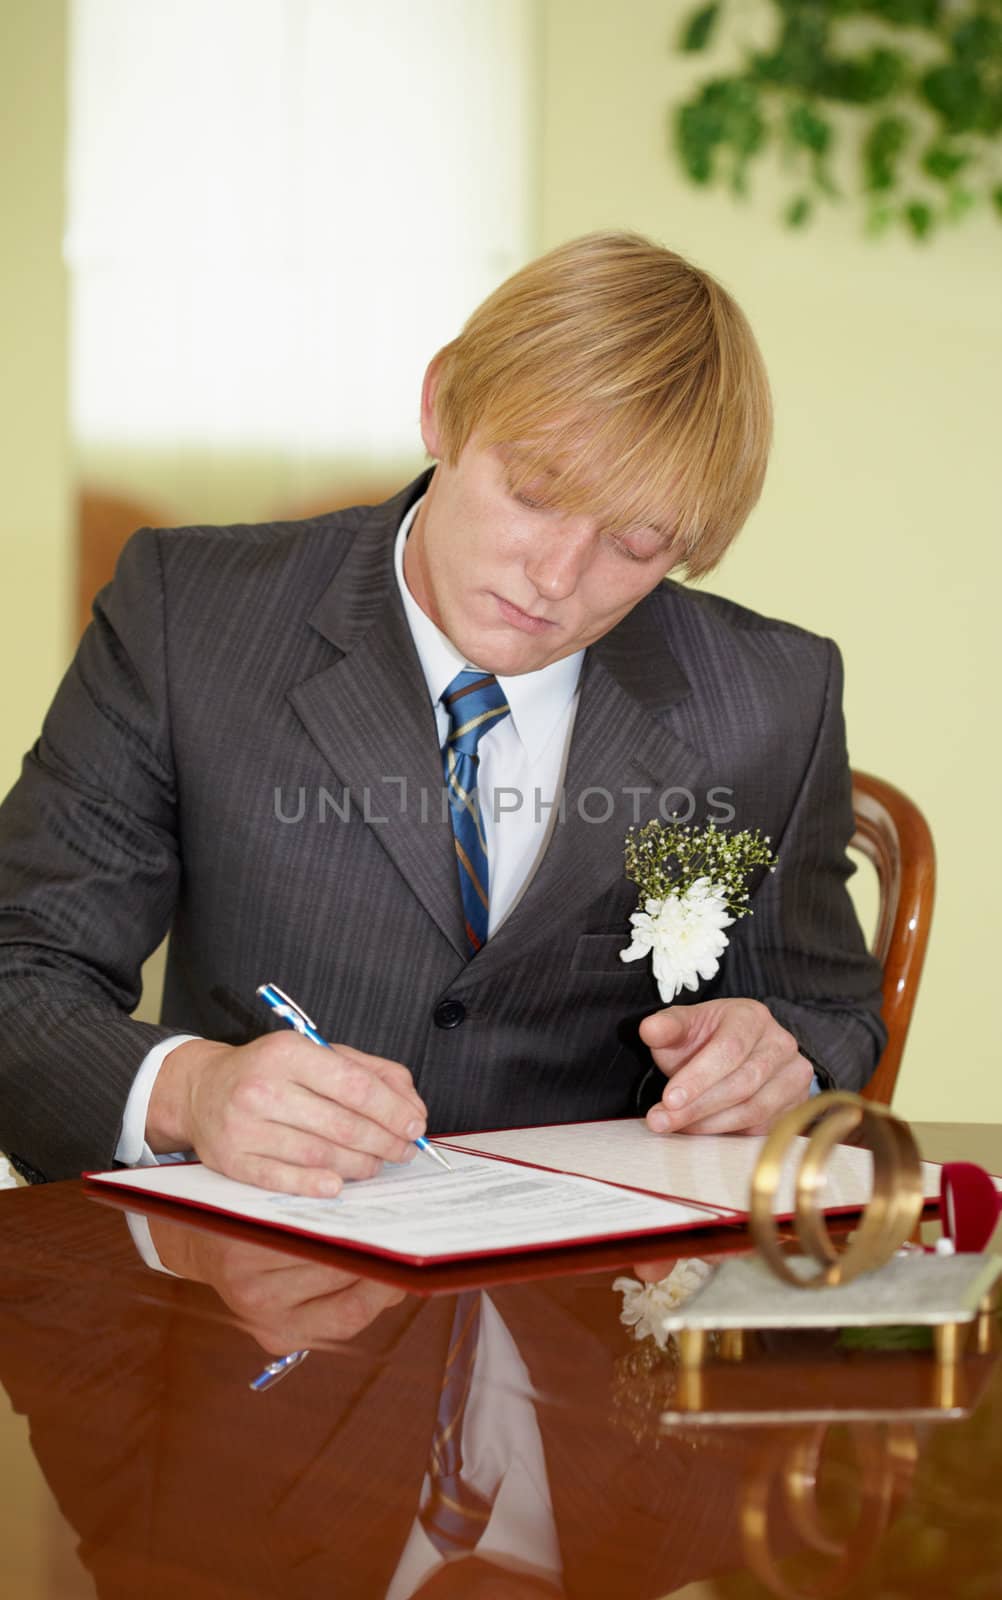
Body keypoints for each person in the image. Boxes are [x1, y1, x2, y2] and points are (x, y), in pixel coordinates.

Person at [0, 232, 884, 1188]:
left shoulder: (771, 695)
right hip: (258, 1271)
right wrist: (194, 1092)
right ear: (441, 405)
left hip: (587, 1291)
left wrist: (775, 1055)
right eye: (535, 495)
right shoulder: (190, 615)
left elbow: (826, 1013)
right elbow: (22, 972)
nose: (556, 579)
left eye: (634, 545)